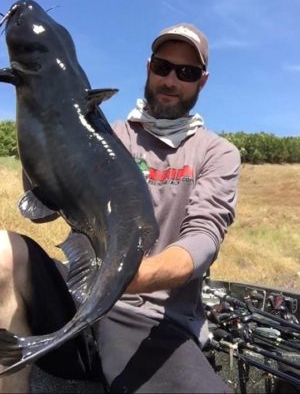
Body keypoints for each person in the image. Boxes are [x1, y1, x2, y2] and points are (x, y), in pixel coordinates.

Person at [0, 23, 240, 393]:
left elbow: (202, 240)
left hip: (155, 320)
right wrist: (34, 105)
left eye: (186, 73)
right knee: (3, 253)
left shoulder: (216, 153)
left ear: (202, 82)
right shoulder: (108, 134)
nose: (171, 80)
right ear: (148, 67)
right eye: (163, 67)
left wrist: (129, 276)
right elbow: (44, 207)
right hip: (81, 290)